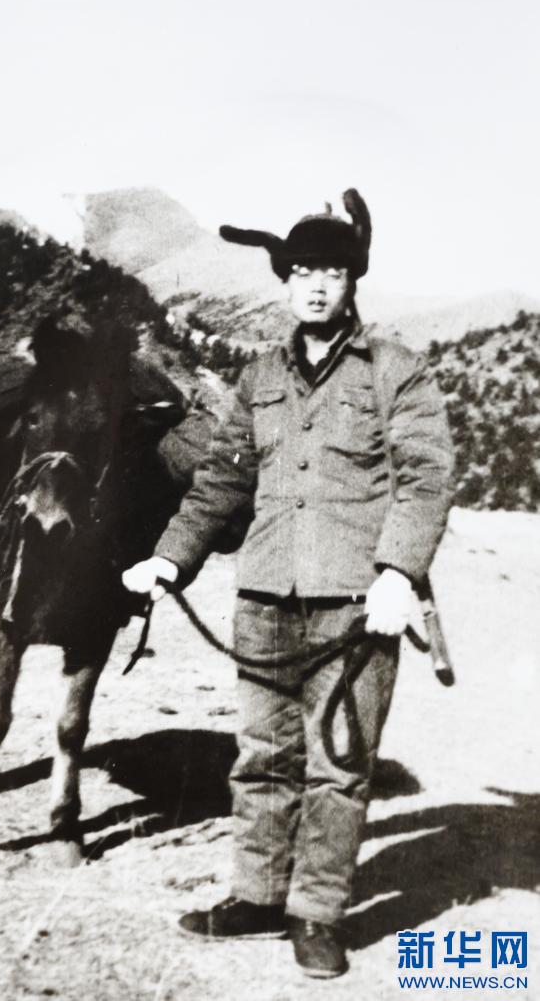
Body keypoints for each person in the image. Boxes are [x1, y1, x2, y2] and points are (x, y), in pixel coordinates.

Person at [122, 190, 454, 979]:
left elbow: (426, 477)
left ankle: (317, 913)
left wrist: (398, 573)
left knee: (338, 764)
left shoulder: (396, 370)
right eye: (302, 271)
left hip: (356, 609)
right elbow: (220, 481)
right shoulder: (259, 375)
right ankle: (259, 896)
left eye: (330, 272)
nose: (314, 285)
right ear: (286, 281)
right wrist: (170, 557)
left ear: (352, 281)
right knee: (262, 757)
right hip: (264, 600)